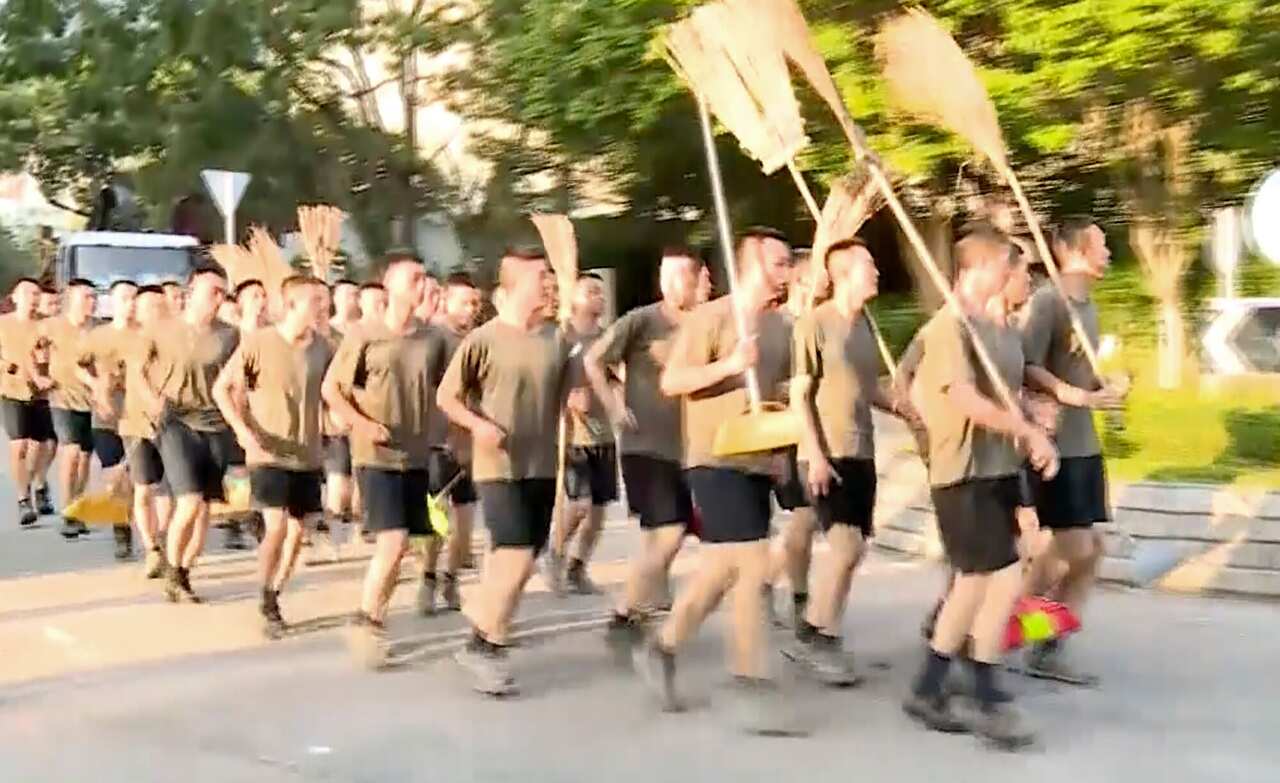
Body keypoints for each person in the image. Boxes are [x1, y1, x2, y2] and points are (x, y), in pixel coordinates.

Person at [635, 228, 796, 731]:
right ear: (750, 265)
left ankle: (662, 647)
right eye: (778, 263)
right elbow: (673, 381)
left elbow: (781, 392)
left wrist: (785, 452)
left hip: (757, 459)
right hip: (712, 456)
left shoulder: (778, 327)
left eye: (788, 263)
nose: (786, 272)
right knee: (753, 562)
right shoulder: (713, 317)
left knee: (724, 568)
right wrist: (728, 364)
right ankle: (749, 678)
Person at [903, 227, 1057, 750]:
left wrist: (1032, 417)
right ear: (982, 268)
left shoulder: (999, 332)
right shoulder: (948, 328)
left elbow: (1007, 397)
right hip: (961, 469)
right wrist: (1023, 428)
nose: (1016, 275)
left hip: (996, 468)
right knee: (995, 578)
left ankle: (934, 686)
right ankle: (983, 690)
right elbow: (964, 398)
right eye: (1008, 266)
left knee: (979, 582)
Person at [438, 248, 577, 696]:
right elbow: (448, 397)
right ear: (514, 284)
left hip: (541, 465)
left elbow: (577, 394)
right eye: (541, 276)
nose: (549, 283)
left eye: (550, 276)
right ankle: (482, 645)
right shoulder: (484, 339)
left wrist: (584, 390)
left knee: (516, 556)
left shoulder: (557, 338)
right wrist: (479, 425)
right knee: (515, 553)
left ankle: (489, 629)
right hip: (497, 465)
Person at [783, 239, 909, 685]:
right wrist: (814, 455)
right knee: (846, 546)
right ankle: (811, 633)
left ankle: (826, 631)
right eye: (868, 265)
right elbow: (799, 395)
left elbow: (870, 389)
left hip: (862, 452)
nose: (876, 271)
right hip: (826, 452)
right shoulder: (814, 324)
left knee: (853, 553)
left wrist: (907, 411)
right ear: (841, 274)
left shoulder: (865, 327)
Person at [323, 256, 446, 668]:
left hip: (416, 454)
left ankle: (375, 616)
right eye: (413, 278)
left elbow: (449, 391)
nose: (421, 283)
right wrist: (362, 423)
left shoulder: (433, 339)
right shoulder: (363, 335)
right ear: (389, 287)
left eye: (424, 277)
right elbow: (332, 390)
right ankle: (366, 623)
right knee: (392, 542)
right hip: (374, 454)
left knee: (405, 544)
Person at [1019, 218, 1124, 685]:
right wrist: (1068, 394)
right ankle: (994, 621)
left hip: (1087, 445)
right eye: (1100, 245)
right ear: (1074, 250)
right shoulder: (1048, 302)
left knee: (1091, 551)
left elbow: (1082, 372)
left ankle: (1047, 641)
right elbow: (1023, 365)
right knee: (1072, 548)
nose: (1108, 253)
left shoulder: (1088, 307)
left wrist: (1104, 387)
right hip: (1057, 446)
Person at [586, 248, 701, 649]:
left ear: (698, 279)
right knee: (669, 531)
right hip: (645, 444)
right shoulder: (642, 321)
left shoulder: (707, 322)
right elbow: (593, 359)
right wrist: (615, 406)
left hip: (690, 446)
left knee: (661, 534)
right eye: (665, 277)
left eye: (680, 277)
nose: (671, 286)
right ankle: (622, 614)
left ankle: (641, 604)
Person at [214, 275, 333, 638]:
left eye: (324, 300)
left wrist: (340, 420)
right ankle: (265, 595)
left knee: (299, 532)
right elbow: (222, 388)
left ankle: (277, 589)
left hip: (308, 452)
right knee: (277, 526)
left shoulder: (324, 348)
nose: (323, 307)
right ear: (293, 304)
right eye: (316, 301)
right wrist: (243, 431)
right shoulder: (259, 344)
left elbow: (335, 392)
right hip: (267, 451)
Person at [151, 266, 238, 603]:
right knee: (188, 500)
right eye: (212, 290)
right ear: (192, 291)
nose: (218, 298)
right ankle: (172, 567)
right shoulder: (163, 330)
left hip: (216, 424)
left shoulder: (230, 336)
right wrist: (149, 398)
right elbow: (138, 367)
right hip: (177, 420)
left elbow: (241, 381)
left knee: (204, 508)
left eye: (222, 292)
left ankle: (183, 571)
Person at [765, 249, 827, 629]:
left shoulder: (825, 321)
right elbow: (765, 383)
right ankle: (791, 593)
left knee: (809, 520)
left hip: (820, 431)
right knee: (804, 517)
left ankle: (780, 585)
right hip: (787, 436)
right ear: (802, 280)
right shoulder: (778, 324)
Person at [548, 272, 617, 594]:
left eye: (601, 294)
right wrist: (569, 398)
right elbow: (546, 383)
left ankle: (578, 567)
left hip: (604, 435)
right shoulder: (561, 338)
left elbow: (618, 377)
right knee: (579, 505)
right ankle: (556, 552)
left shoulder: (608, 338)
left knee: (599, 512)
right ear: (574, 298)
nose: (599, 299)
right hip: (574, 437)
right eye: (591, 292)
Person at [418, 272, 483, 615]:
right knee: (438, 521)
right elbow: (426, 389)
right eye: (464, 302)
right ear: (446, 300)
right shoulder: (435, 338)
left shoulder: (479, 339)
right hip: (439, 443)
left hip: (473, 444)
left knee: (466, 523)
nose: (471, 309)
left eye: (475, 303)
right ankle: (428, 577)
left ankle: (451, 577)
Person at [82, 281, 151, 569]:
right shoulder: (98, 336)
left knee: (139, 480)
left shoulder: (147, 335)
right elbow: (78, 364)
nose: (131, 303)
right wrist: (95, 383)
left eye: (135, 298)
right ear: (112, 302)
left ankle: (145, 533)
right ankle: (121, 532)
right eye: (124, 298)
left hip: (138, 417)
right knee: (114, 479)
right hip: (106, 416)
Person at [115, 286, 174, 578]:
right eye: (149, 307)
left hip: (171, 425)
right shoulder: (132, 341)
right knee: (144, 488)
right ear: (137, 311)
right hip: (137, 425)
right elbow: (135, 375)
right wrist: (153, 404)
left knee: (167, 489)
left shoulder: (176, 340)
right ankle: (151, 547)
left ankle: (162, 541)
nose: (156, 312)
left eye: (160, 306)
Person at [36, 280, 99, 542]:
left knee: (85, 457)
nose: (92, 301)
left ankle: (78, 504)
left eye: (94, 297)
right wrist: (39, 376)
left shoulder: (98, 329)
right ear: (71, 299)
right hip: (63, 397)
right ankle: (67, 509)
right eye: (86, 297)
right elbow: (33, 350)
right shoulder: (52, 326)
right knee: (70, 451)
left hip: (92, 400)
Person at [0, 278, 56, 526]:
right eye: (26, 293)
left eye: (36, 293)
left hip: (42, 393)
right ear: (14, 297)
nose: (32, 298)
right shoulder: (3, 324)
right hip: (12, 391)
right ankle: (24, 499)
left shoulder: (46, 325)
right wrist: (5, 366)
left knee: (42, 446)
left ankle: (39, 483)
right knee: (19, 445)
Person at [322, 280, 362, 533]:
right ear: (334, 298)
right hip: (333, 418)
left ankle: (359, 535)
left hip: (362, 415)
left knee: (361, 484)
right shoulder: (326, 334)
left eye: (356, 294)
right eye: (347, 294)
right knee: (338, 487)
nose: (352, 299)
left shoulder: (363, 331)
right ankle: (325, 535)